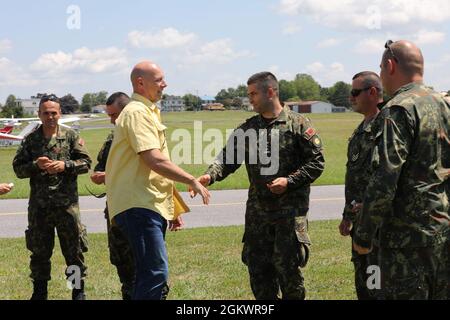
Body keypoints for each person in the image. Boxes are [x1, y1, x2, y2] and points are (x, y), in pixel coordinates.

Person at [194, 72, 325, 300]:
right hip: (258, 218)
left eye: (254, 94)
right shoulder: (248, 129)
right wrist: (209, 176)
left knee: (289, 277)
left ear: (271, 92)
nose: (250, 99)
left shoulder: (298, 125)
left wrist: (289, 181)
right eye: (248, 94)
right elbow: (227, 158)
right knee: (259, 276)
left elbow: (317, 162)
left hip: (289, 217)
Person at [353, 40, 450, 299]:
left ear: (390, 65)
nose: (382, 76)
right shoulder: (444, 105)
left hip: (405, 241)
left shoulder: (397, 110)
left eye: (381, 69)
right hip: (441, 231)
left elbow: (385, 177)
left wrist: (363, 235)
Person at [105, 61, 210, 300]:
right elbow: (154, 160)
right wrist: (192, 180)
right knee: (155, 273)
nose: (165, 84)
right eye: (160, 79)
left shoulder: (146, 111)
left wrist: (173, 207)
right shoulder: (137, 112)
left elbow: (151, 169)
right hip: (139, 206)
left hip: (146, 204)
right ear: (141, 83)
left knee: (150, 273)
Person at [13, 94, 92, 300]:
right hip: (40, 208)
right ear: (39, 114)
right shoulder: (31, 140)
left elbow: (85, 163)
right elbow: (18, 169)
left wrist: (65, 165)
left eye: (54, 113)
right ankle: (40, 293)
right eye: (46, 113)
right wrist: (34, 165)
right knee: (40, 253)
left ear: (60, 113)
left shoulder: (71, 136)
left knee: (73, 252)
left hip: (67, 207)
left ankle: (76, 291)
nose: (50, 117)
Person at [338, 71, 383, 300]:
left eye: (355, 92)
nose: (351, 97)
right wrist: (347, 216)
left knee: (377, 285)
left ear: (373, 92)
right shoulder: (360, 131)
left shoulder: (388, 127)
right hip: (360, 225)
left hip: (379, 227)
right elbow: (354, 179)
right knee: (363, 285)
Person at [90, 92, 135, 300]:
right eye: (109, 115)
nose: (111, 120)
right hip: (116, 208)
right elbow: (101, 165)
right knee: (120, 259)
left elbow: (147, 170)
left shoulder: (141, 134)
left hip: (138, 209)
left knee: (145, 265)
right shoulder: (112, 138)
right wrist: (100, 175)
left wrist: (110, 174)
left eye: (114, 115)